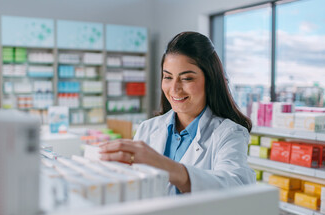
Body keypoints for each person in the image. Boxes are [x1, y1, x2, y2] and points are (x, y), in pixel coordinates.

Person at [99, 31, 255, 195]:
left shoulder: (229, 133)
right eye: (167, 77)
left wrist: (163, 165)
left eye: (187, 78)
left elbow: (236, 186)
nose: (174, 89)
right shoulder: (147, 128)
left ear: (210, 80)